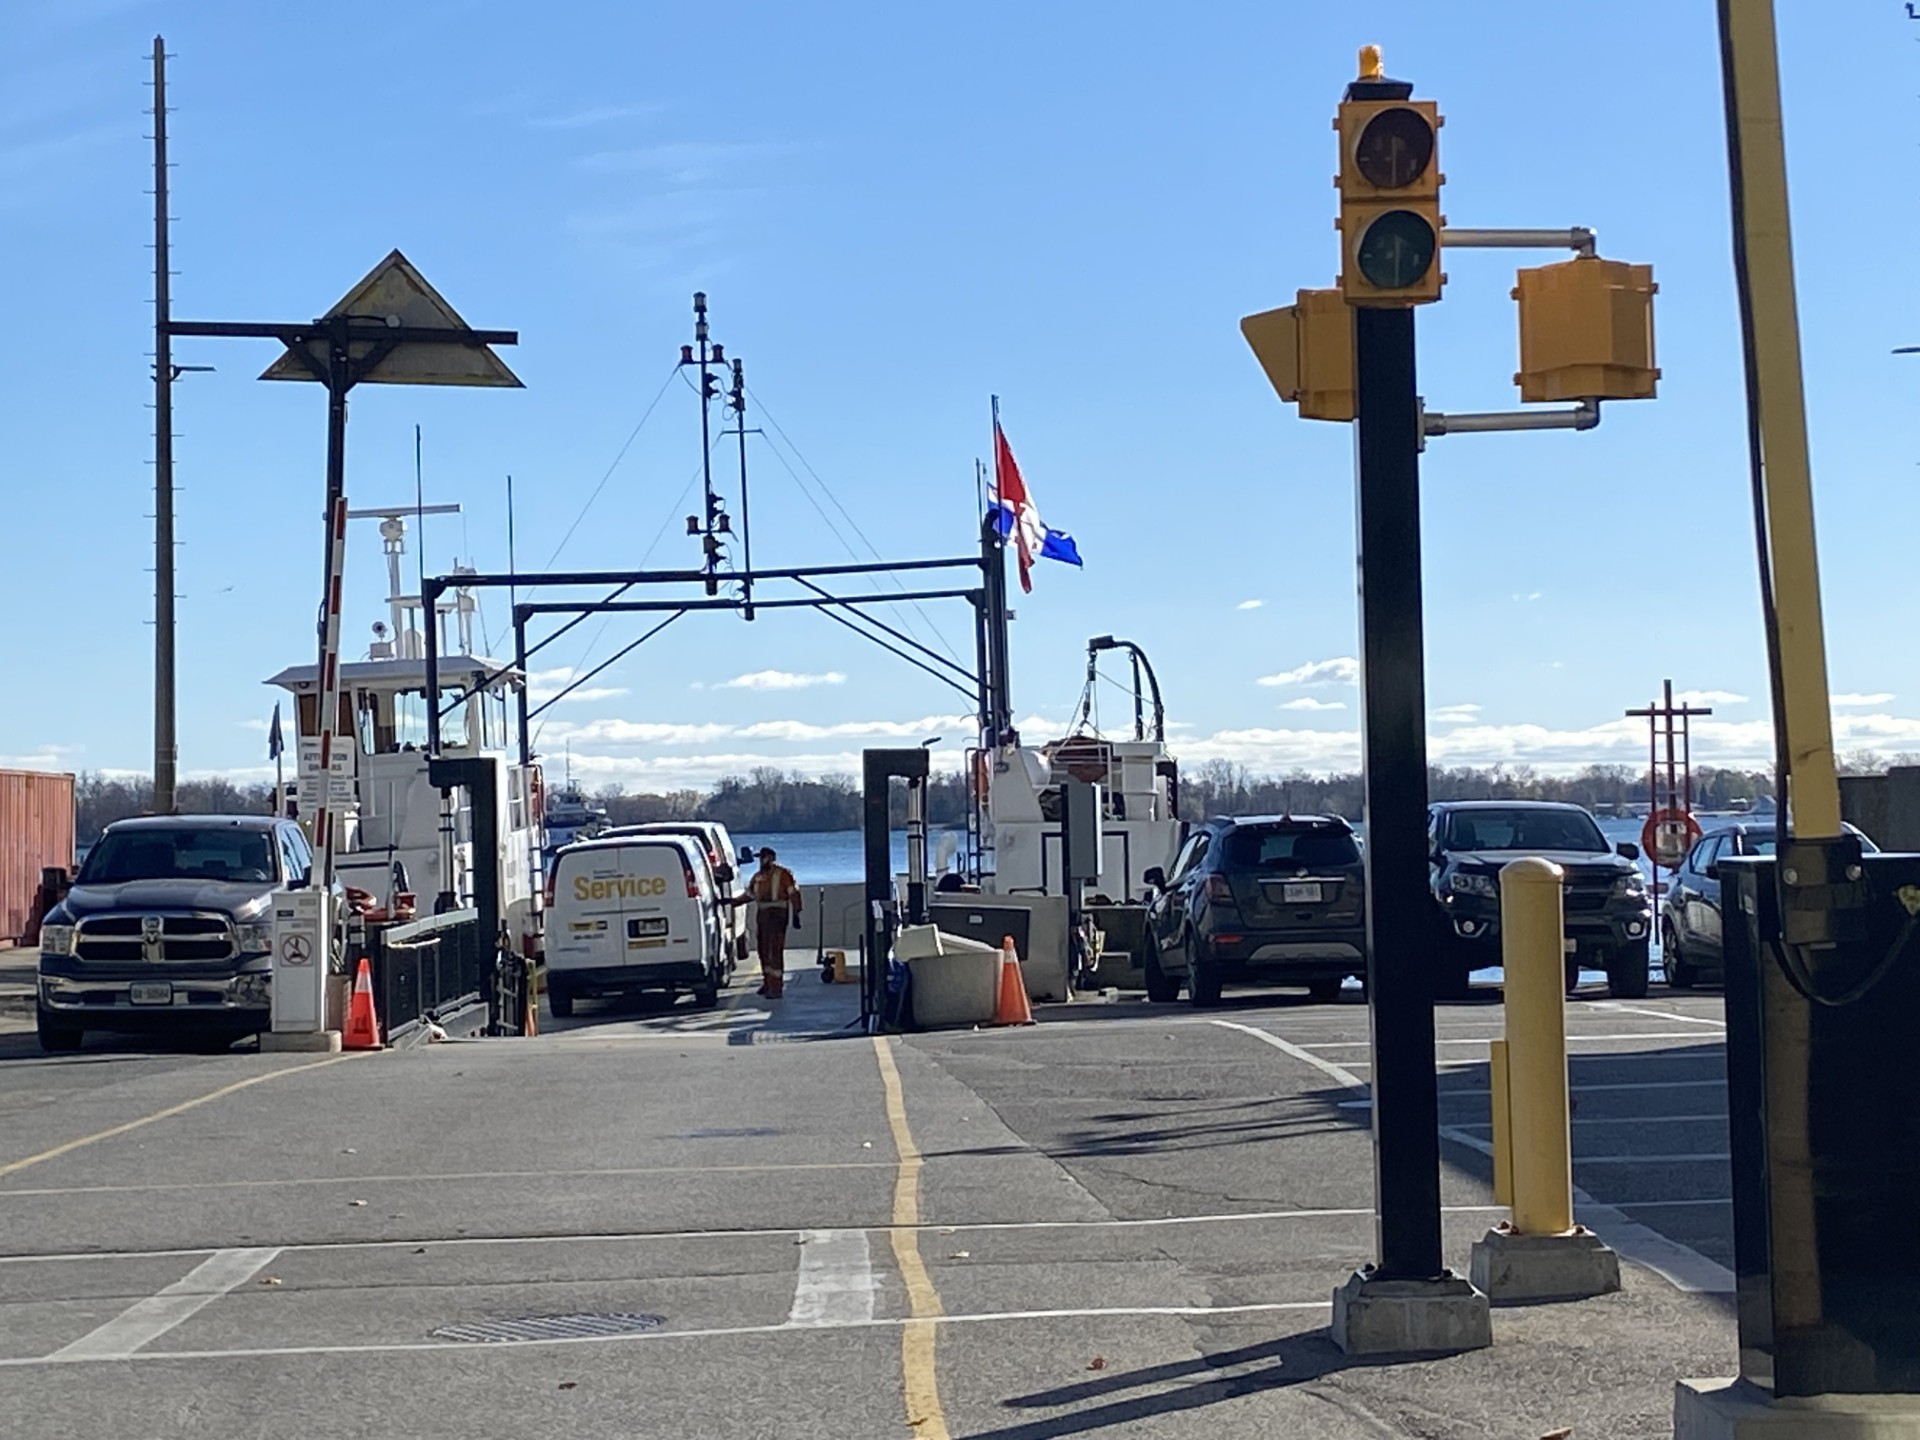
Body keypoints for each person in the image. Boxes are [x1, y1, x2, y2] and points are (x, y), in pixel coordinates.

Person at [729, 846, 802, 998]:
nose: (762, 861)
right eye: (761, 858)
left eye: (765, 857)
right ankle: (767, 982)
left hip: (778, 915)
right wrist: (731, 902)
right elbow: (749, 895)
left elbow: (793, 893)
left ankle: (776, 987)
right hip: (763, 915)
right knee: (763, 949)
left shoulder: (784, 874)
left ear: (773, 858)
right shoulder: (757, 877)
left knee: (775, 950)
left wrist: (796, 913)